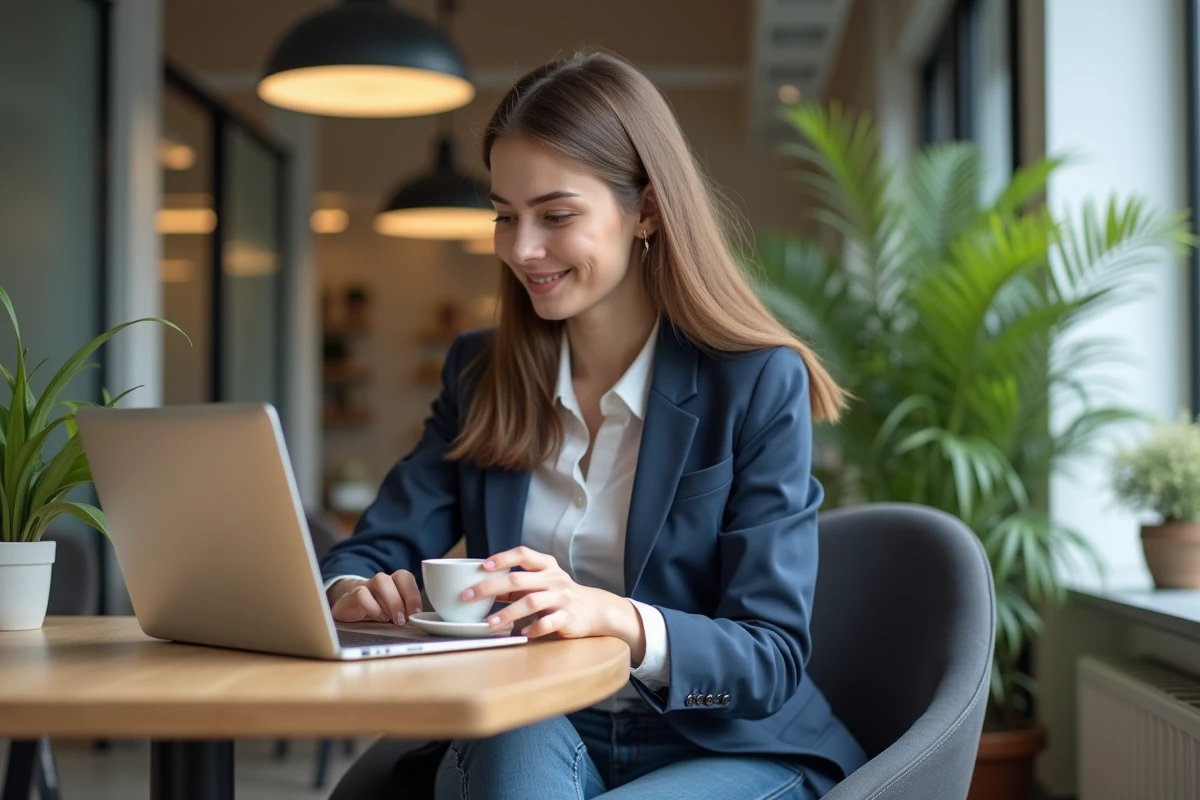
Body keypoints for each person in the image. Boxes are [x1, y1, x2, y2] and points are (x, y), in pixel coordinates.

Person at [320, 49, 868, 800]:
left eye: (556, 215)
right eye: (505, 217)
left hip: (718, 744)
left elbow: (769, 654)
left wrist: (616, 618)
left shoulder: (753, 380)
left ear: (644, 209)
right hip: (537, 720)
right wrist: (351, 591)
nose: (521, 249)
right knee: (512, 730)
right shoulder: (482, 373)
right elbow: (373, 546)